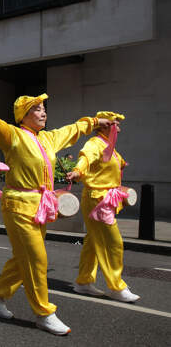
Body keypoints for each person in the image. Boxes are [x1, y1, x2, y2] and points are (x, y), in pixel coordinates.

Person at [0, 94, 113, 335]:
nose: (43, 113)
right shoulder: (13, 135)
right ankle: (44, 313)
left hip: (40, 205)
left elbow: (73, 129)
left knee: (24, 258)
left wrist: (96, 123)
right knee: (36, 259)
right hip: (18, 205)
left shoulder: (48, 139)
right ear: (23, 116)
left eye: (44, 109)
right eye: (37, 109)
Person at [66, 111, 140, 302]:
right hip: (97, 199)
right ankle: (116, 286)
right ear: (104, 125)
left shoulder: (110, 147)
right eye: (116, 125)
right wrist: (77, 171)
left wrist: (121, 165)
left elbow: (116, 163)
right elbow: (86, 158)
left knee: (93, 242)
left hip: (104, 198)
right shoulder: (94, 144)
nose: (119, 128)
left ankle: (83, 282)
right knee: (112, 242)